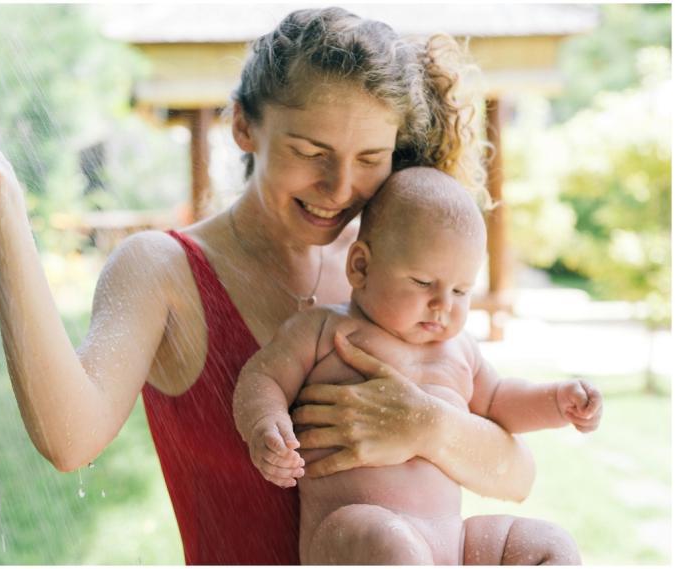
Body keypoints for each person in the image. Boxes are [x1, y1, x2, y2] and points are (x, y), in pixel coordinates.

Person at [0, 6, 565, 565]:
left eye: (369, 158)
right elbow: (68, 439)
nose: (339, 187)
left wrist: (430, 425)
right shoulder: (165, 271)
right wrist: (0, 201)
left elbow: (516, 469)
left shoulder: (392, 271)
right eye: (310, 152)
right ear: (243, 126)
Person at [234, 167, 603, 564]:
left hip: (453, 541)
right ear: (360, 267)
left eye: (461, 290)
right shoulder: (324, 330)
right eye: (424, 283)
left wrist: (556, 402)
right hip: (357, 533)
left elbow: (500, 400)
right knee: (391, 544)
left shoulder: (459, 351)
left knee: (550, 544)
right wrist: (265, 425)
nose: (444, 304)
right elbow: (263, 376)